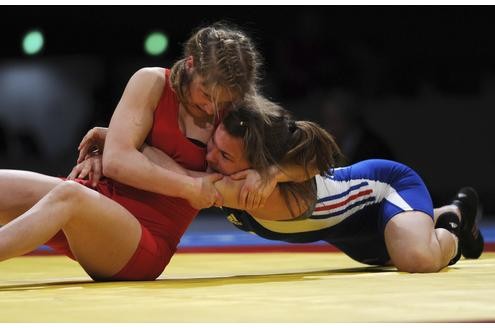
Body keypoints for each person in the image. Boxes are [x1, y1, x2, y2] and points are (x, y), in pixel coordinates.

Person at [74, 95, 484, 273]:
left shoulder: (259, 180)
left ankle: (452, 217)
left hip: (385, 191)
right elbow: (171, 161)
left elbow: (316, 151)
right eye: (213, 148)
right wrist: (114, 140)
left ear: (260, 163)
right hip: (355, 237)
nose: (210, 158)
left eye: (225, 156)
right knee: (387, 257)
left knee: (414, 258)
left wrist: (274, 174)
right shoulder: (226, 165)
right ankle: (430, 219)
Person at [0, 23, 262, 281]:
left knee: (69, 195)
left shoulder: (238, 117)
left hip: (141, 243)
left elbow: (296, 154)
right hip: (95, 201)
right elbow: (117, 162)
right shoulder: (151, 81)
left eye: (223, 101)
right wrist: (187, 186)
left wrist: (272, 173)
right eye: (205, 93)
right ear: (190, 64)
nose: (209, 108)